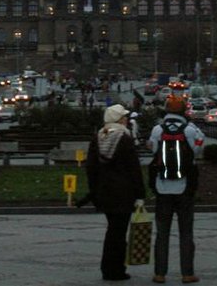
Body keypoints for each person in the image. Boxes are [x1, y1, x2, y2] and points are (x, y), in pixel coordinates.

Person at [148, 95, 204, 284]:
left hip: (162, 187)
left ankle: (159, 273)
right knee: (186, 233)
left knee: (162, 233)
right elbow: (198, 150)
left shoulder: (157, 130)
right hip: (185, 188)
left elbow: (152, 149)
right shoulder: (190, 130)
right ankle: (187, 273)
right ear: (184, 111)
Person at [86, 104, 145, 281]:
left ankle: (108, 267)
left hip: (105, 192)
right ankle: (116, 269)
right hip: (124, 193)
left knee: (112, 230)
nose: (127, 119)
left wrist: (94, 191)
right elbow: (134, 169)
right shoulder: (125, 138)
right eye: (124, 117)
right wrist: (140, 194)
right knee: (118, 233)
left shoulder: (98, 137)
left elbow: (91, 168)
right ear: (119, 119)